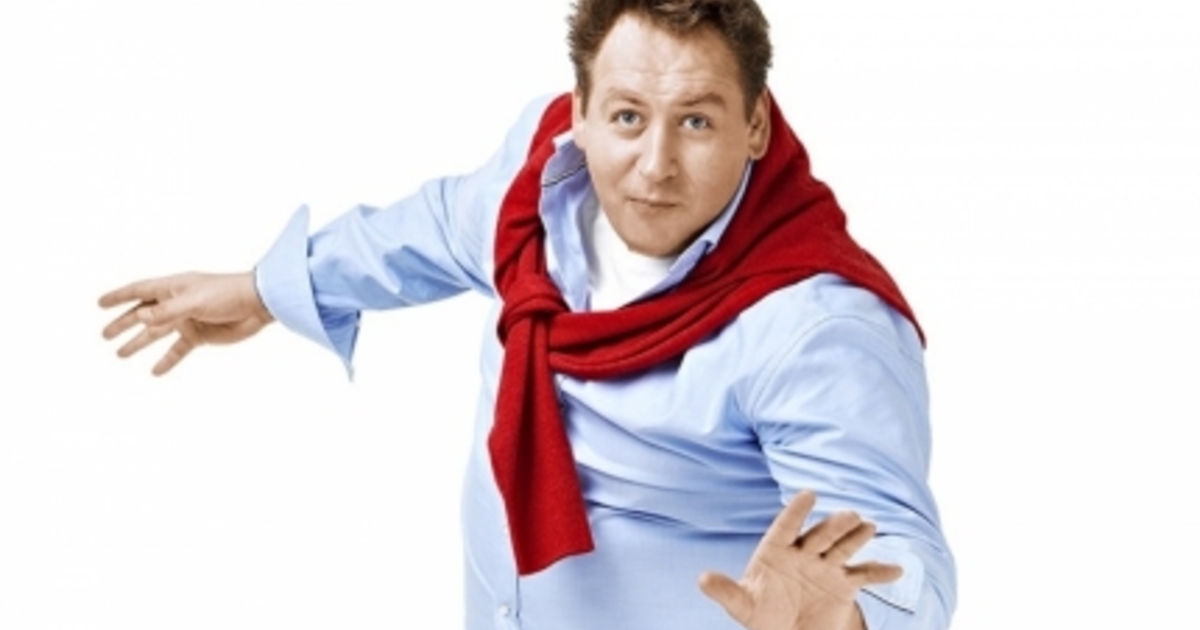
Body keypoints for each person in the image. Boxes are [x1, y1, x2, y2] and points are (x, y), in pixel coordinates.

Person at [99, 1, 956, 628]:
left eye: (697, 121)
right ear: (579, 112)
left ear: (757, 125)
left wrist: (845, 622)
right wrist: (267, 288)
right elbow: (439, 228)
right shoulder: (541, 181)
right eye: (628, 117)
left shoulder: (818, 329)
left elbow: (899, 551)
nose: (654, 164)